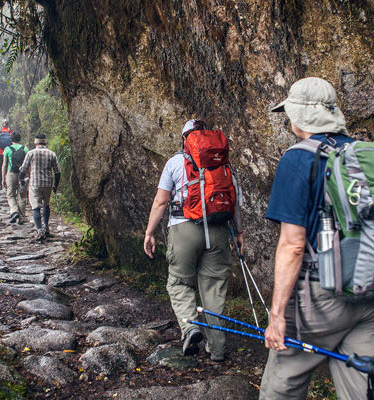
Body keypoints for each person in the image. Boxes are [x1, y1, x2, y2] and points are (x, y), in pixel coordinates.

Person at [260, 77, 374, 399]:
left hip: (321, 296)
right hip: (368, 291)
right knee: (360, 385)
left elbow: (293, 245)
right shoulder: (360, 154)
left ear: (301, 116)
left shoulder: (298, 158)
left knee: (282, 382)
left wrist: (277, 315)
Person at [144, 119, 244, 362]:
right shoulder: (224, 163)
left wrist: (149, 233)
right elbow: (234, 203)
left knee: (179, 283)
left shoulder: (175, 162)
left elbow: (160, 201)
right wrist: (239, 233)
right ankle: (217, 350)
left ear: (184, 138)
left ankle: (190, 329)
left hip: (184, 228)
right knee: (214, 290)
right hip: (219, 231)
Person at [20, 134, 61, 240]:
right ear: (45, 142)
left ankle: (39, 231)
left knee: (36, 207)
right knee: (46, 205)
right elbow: (57, 172)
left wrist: (21, 180)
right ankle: (46, 228)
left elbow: (24, 168)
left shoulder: (31, 153)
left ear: (35, 142)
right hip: (47, 184)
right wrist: (55, 185)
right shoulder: (51, 154)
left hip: (35, 184)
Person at [1, 131, 29, 224]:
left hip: (11, 173)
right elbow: (28, 165)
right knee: (22, 196)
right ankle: (21, 217)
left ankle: (14, 211)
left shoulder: (7, 149)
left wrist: (3, 178)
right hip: (23, 174)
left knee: (10, 195)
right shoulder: (25, 149)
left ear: (11, 139)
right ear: (20, 138)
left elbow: (4, 165)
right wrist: (29, 176)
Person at [0, 119, 12, 190]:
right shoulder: (10, 132)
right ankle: (7, 183)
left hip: (0, 152)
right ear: (8, 125)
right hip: (9, 152)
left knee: (0, 168)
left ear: (2, 125)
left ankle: (0, 184)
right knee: (8, 167)